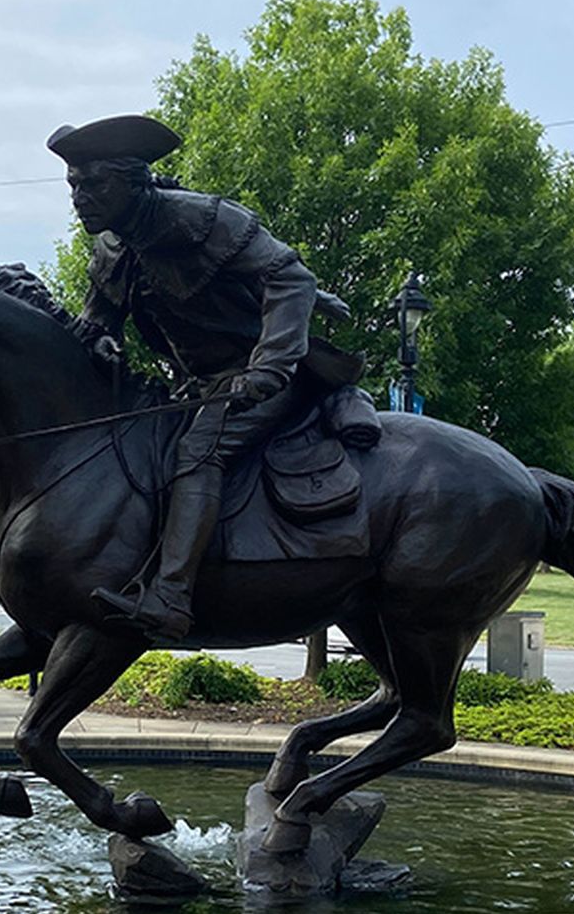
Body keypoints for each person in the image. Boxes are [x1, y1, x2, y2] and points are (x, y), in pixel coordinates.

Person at [50, 114, 357, 639]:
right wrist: (101, 339)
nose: (80, 197)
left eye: (95, 183)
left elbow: (291, 278)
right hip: (199, 387)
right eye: (74, 185)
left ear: (133, 180)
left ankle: (171, 595)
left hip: (262, 378)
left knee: (200, 451)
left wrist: (270, 367)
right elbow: (99, 318)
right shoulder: (112, 251)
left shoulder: (203, 220)